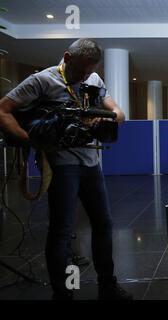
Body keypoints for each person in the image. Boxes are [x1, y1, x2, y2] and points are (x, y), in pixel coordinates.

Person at [0, 38, 132, 300]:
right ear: (67, 58)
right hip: (62, 164)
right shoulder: (43, 80)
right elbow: (3, 109)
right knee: (62, 230)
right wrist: (33, 141)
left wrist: (105, 117)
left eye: (88, 71)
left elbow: (119, 113)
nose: (84, 76)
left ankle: (108, 286)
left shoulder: (93, 80)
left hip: (91, 163)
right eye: (79, 71)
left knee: (104, 224)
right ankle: (63, 293)